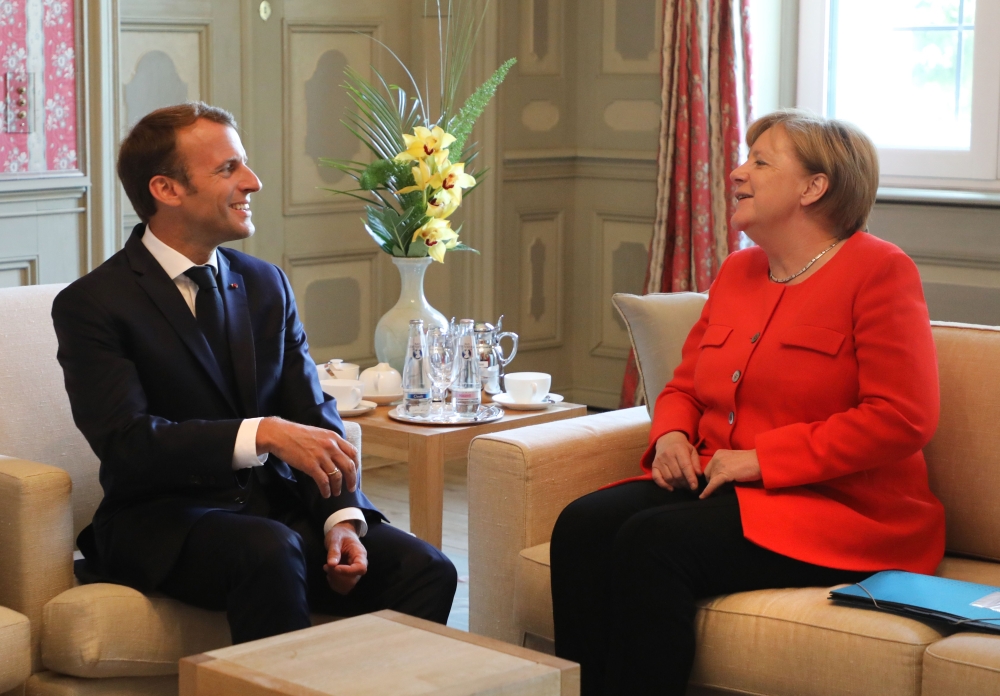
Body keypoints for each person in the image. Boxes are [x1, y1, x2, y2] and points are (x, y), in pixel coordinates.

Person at [549, 110, 945, 695]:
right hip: (727, 486)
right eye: (744, 158)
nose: (737, 172)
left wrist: (763, 459)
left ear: (814, 187)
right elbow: (685, 386)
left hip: (840, 512)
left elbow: (902, 418)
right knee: (581, 525)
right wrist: (671, 435)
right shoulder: (737, 271)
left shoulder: (880, 270)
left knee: (652, 543)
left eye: (760, 161)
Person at [53, 102, 456, 644]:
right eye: (228, 168)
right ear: (166, 189)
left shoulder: (267, 284)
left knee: (428, 569)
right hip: (165, 521)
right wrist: (262, 432)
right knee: (269, 550)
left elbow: (311, 414)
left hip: (277, 512)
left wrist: (341, 519)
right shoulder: (93, 303)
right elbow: (128, 443)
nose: (253, 181)